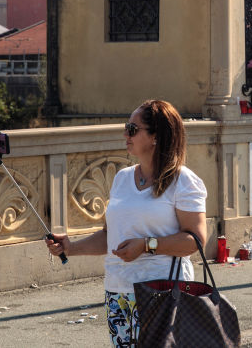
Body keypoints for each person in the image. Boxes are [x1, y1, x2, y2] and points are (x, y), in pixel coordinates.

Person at [46, 99, 207, 347]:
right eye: (126, 127)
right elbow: (110, 235)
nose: (125, 134)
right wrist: (70, 247)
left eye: (132, 129)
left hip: (162, 291)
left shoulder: (183, 181)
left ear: (155, 136)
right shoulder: (122, 178)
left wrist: (145, 245)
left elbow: (195, 240)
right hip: (118, 290)